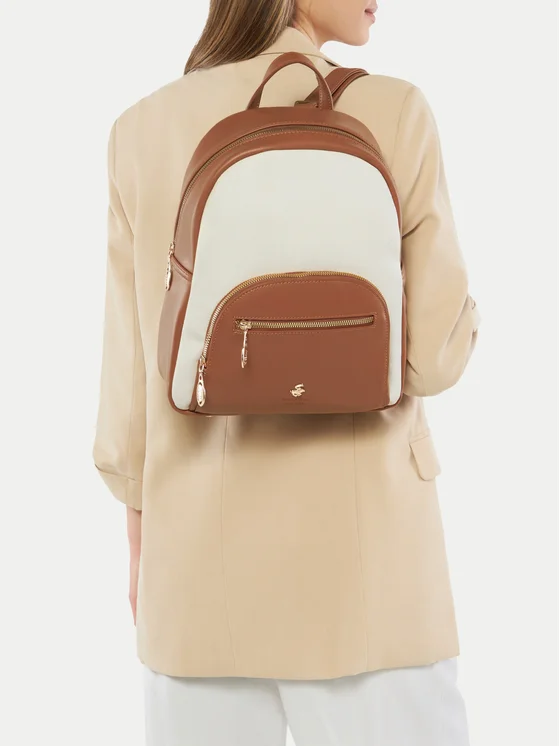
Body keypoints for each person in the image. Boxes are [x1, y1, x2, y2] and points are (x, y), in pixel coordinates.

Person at [93, 1, 480, 744]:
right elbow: (435, 357)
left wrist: (144, 550)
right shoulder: (394, 111)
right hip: (371, 597)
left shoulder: (141, 129)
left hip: (196, 590)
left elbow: (131, 393)